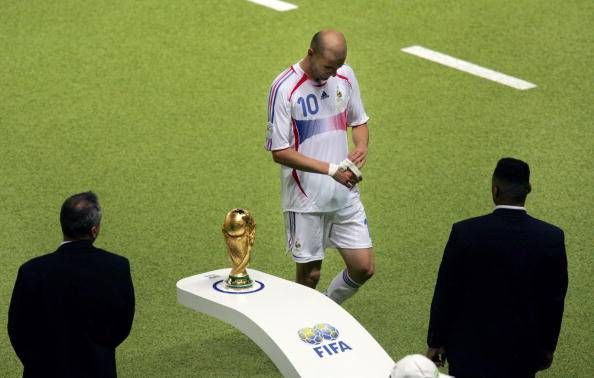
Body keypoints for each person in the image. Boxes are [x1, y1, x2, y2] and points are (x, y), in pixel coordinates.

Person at [426, 158, 568, 378]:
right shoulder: (551, 238)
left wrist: (436, 341)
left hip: (467, 351)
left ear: (495, 189)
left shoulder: (465, 233)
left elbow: (446, 292)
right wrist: (548, 347)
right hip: (522, 354)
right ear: (528, 190)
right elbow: (553, 301)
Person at [264, 29, 373, 304]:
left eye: (337, 67)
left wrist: (361, 146)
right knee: (309, 276)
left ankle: (325, 307)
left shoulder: (344, 76)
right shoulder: (285, 88)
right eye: (328, 67)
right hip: (306, 198)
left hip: (343, 193)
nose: (333, 74)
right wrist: (330, 170)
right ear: (311, 53)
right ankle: (297, 329)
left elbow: (358, 120)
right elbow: (280, 151)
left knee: (363, 267)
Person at [8, 191, 135, 378]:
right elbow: (122, 324)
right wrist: (100, 351)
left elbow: (18, 328)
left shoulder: (32, 271)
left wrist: (37, 363)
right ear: (94, 230)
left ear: (63, 224)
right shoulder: (116, 267)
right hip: (97, 369)